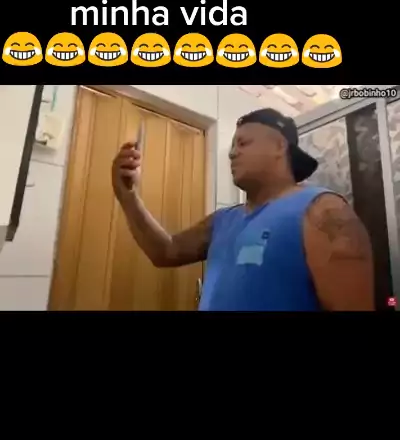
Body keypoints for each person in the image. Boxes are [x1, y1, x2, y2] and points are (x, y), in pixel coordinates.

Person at [112, 108, 375, 312]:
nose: (232, 154)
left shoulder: (323, 212)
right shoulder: (224, 220)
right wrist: (127, 196)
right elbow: (165, 251)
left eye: (243, 143)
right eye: (232, 146)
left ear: (279, 146)